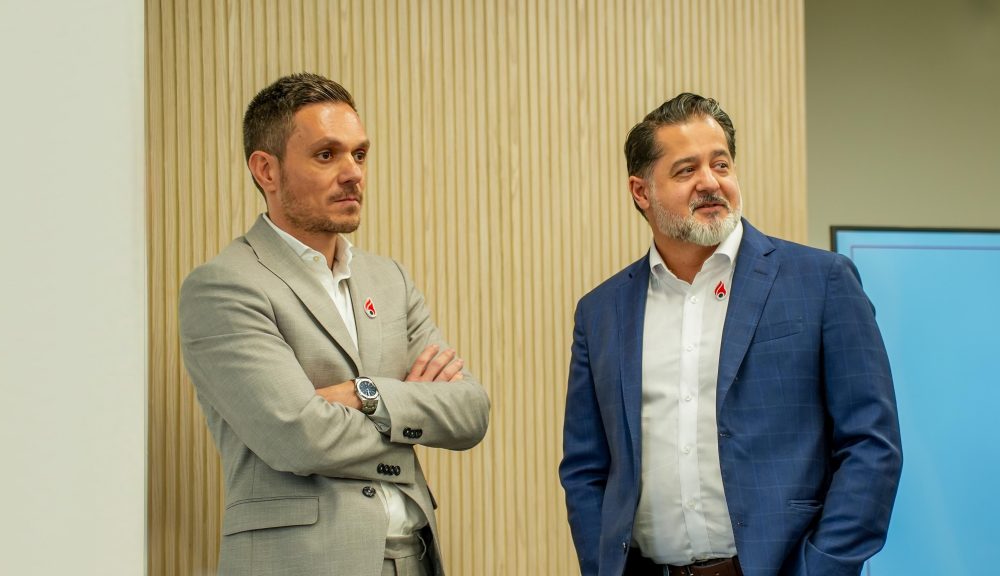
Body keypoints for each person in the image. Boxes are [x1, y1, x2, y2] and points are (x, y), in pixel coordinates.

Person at [559, 93, 902, 576]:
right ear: (641, 191)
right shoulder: (601, 312)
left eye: (720, 164)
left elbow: (871, 445)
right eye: (686, 170)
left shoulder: (821, 282)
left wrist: (821, 569)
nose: (710, 182)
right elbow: (585, 468)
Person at [179, 73, 490, 576]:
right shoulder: (225, 286)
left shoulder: (389, 279)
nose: (353, 174)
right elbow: (297, 436)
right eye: (327, 155)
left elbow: (470, 411)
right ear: (266, 170)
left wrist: (363, 395)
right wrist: (411, 419)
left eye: (359, 154)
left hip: (415, 559)